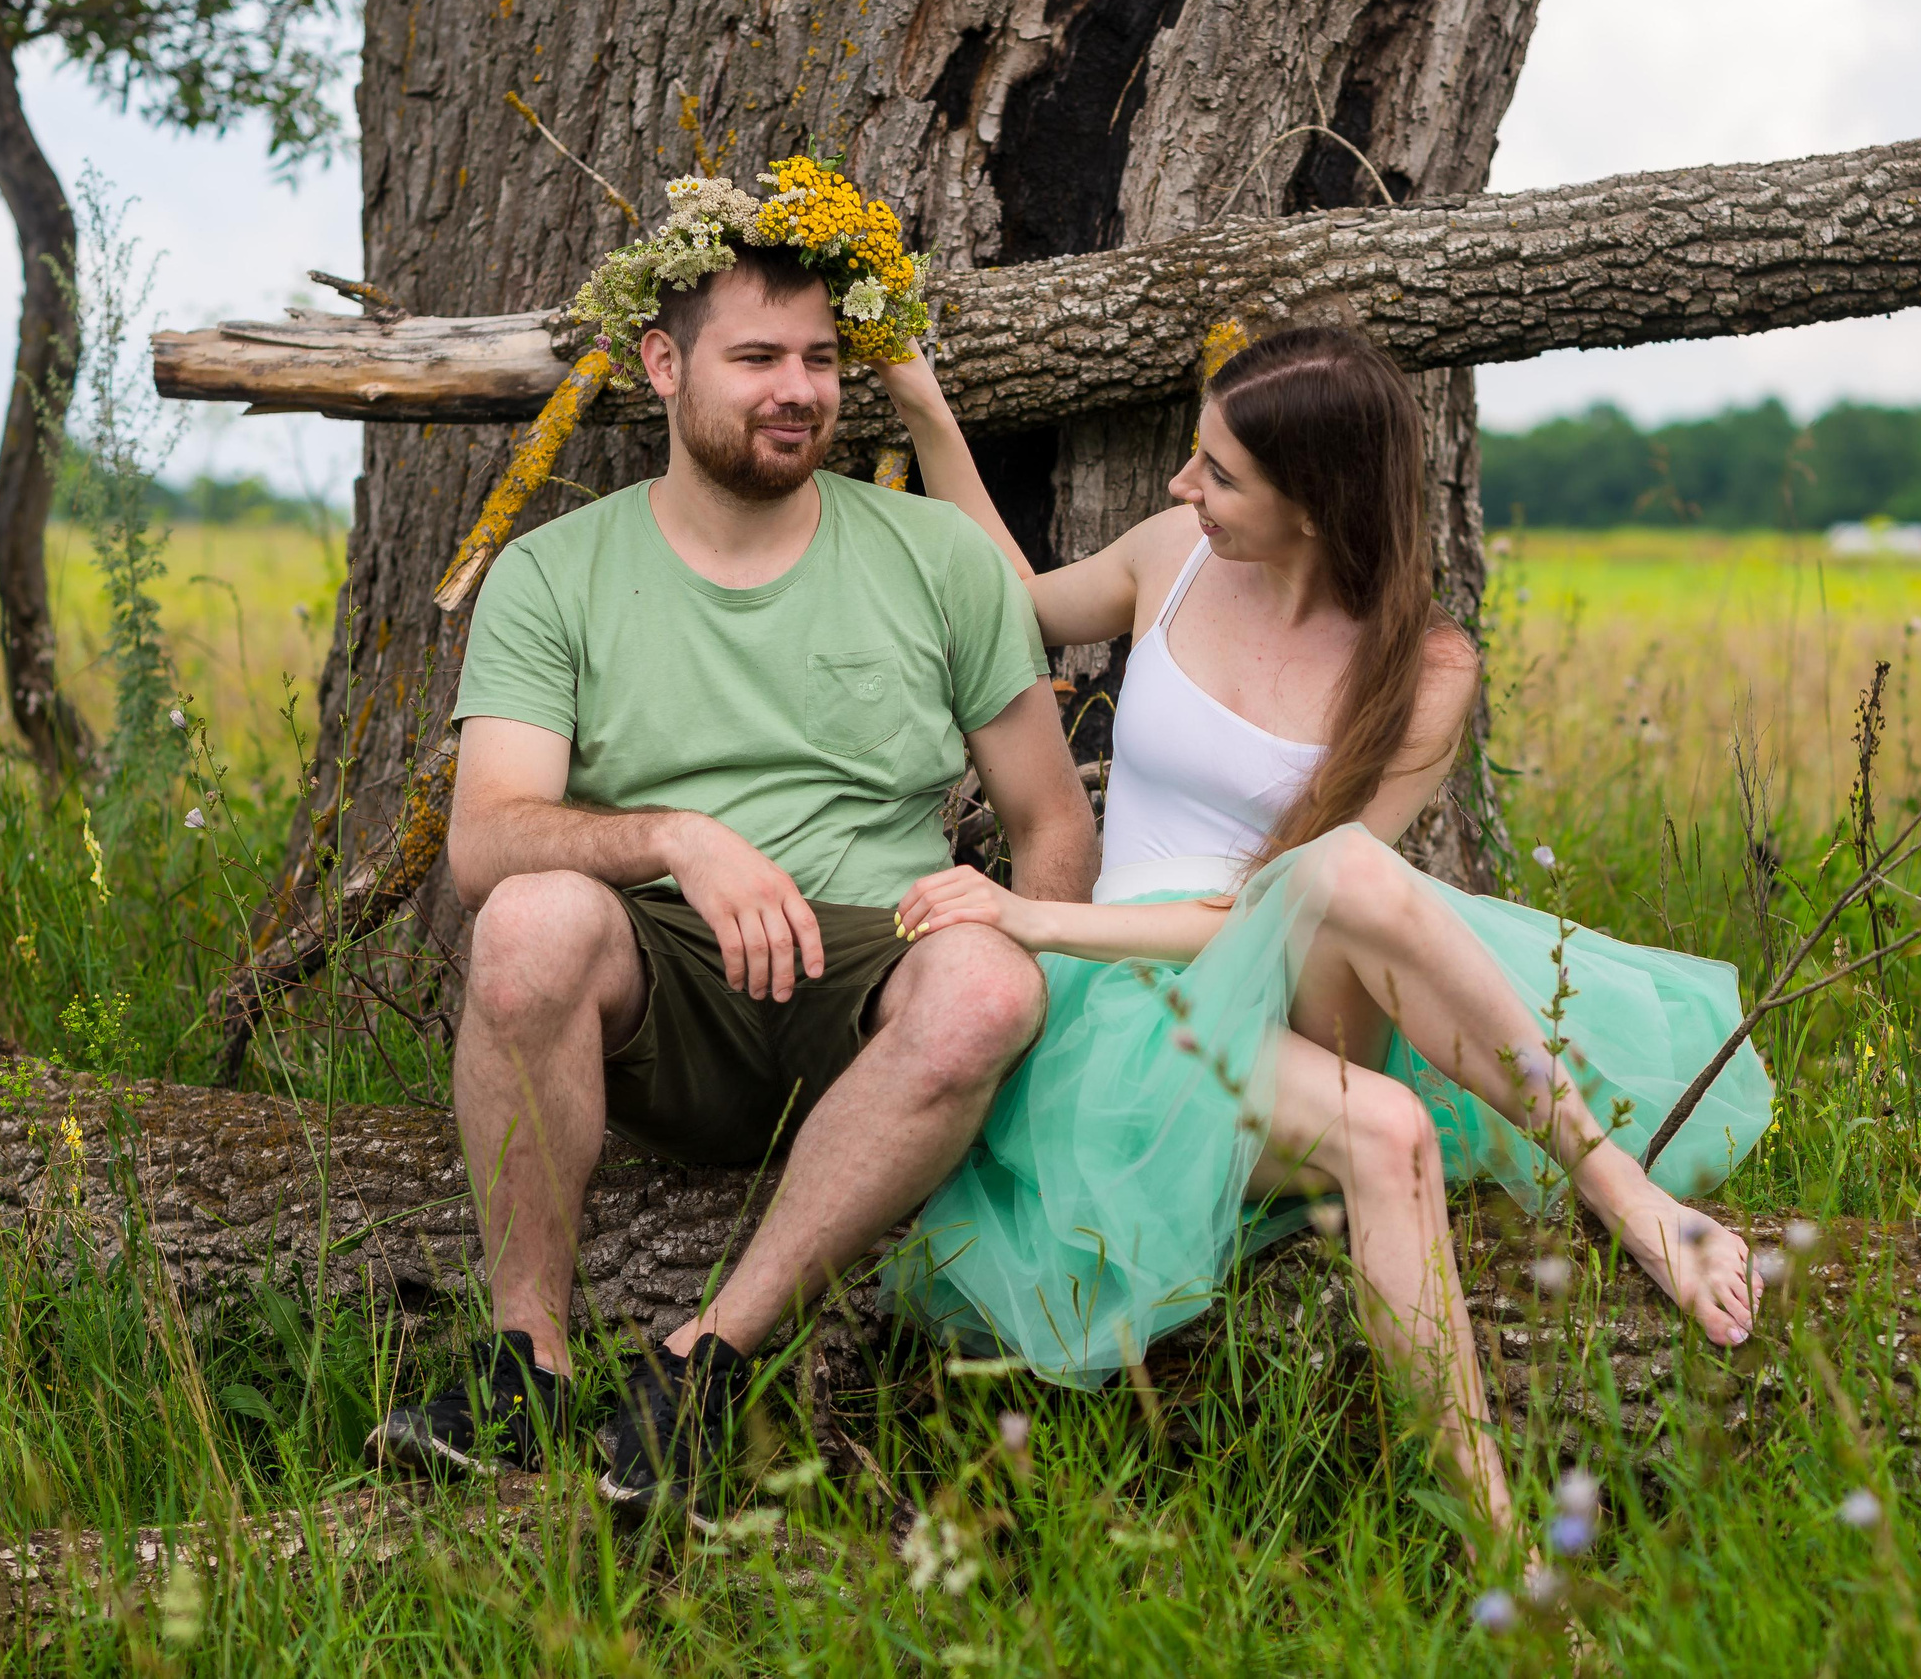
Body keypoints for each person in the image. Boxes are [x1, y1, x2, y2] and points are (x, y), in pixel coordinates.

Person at [869, 325, 1775, 1534]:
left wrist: (1030, 911)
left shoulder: (1425, 669)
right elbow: (1016, 600)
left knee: (1340, 867)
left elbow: (1271, 905)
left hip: (1309, 974)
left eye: (1219, 474)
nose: (1183, 488)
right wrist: (926, 411)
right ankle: (1502, 1546)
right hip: (1131, 1003)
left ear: (1314, 505)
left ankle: (1615, 1184)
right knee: (1386, 1129)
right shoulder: (1170, 559)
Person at [365, 241, 1098, 1516]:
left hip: (880, 983)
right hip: (661, 986)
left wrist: (1044, 1028)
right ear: (663, 365)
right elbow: (484, 842)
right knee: (530, 921)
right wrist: (677, 840)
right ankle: (525, 1363)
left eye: (819, 359)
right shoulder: (554, 572)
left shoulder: (938, 556)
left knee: (988, 986)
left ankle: (700, 1368)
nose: (797, 389)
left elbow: (1049, 821)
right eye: (756, 358)